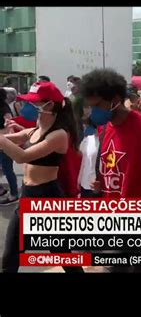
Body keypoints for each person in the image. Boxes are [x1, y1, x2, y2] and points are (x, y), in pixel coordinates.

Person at [81, 68, 141, 273]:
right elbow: (113, 166)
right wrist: (101, 183)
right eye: (90, 106)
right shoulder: (105, 128)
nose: (93, 111)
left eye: (97, 105)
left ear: (115, 99)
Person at [0, 81, 83, 272]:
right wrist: (5, 138)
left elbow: (22, 156)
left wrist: (2, 139)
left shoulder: (59, 135)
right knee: (11, 256)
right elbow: (17, 139)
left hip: (47, 199)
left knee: (63, 255)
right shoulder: (36, 129)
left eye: (35, 103)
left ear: (50, 105)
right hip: (27, 196)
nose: (29, 106)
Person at [77, 109, 100, 198]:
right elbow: (83, 161)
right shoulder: (87, 139)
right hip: (84, 185)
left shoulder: (104, 141)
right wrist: (79, 178)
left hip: (95, 187)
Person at [0, 89, 17, 201]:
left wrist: (10, 142)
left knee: (7, 169)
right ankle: (1, 190)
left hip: (4, 143)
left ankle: (14, 193)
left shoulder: (4, 109)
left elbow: (10, 126)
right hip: (2, 142)